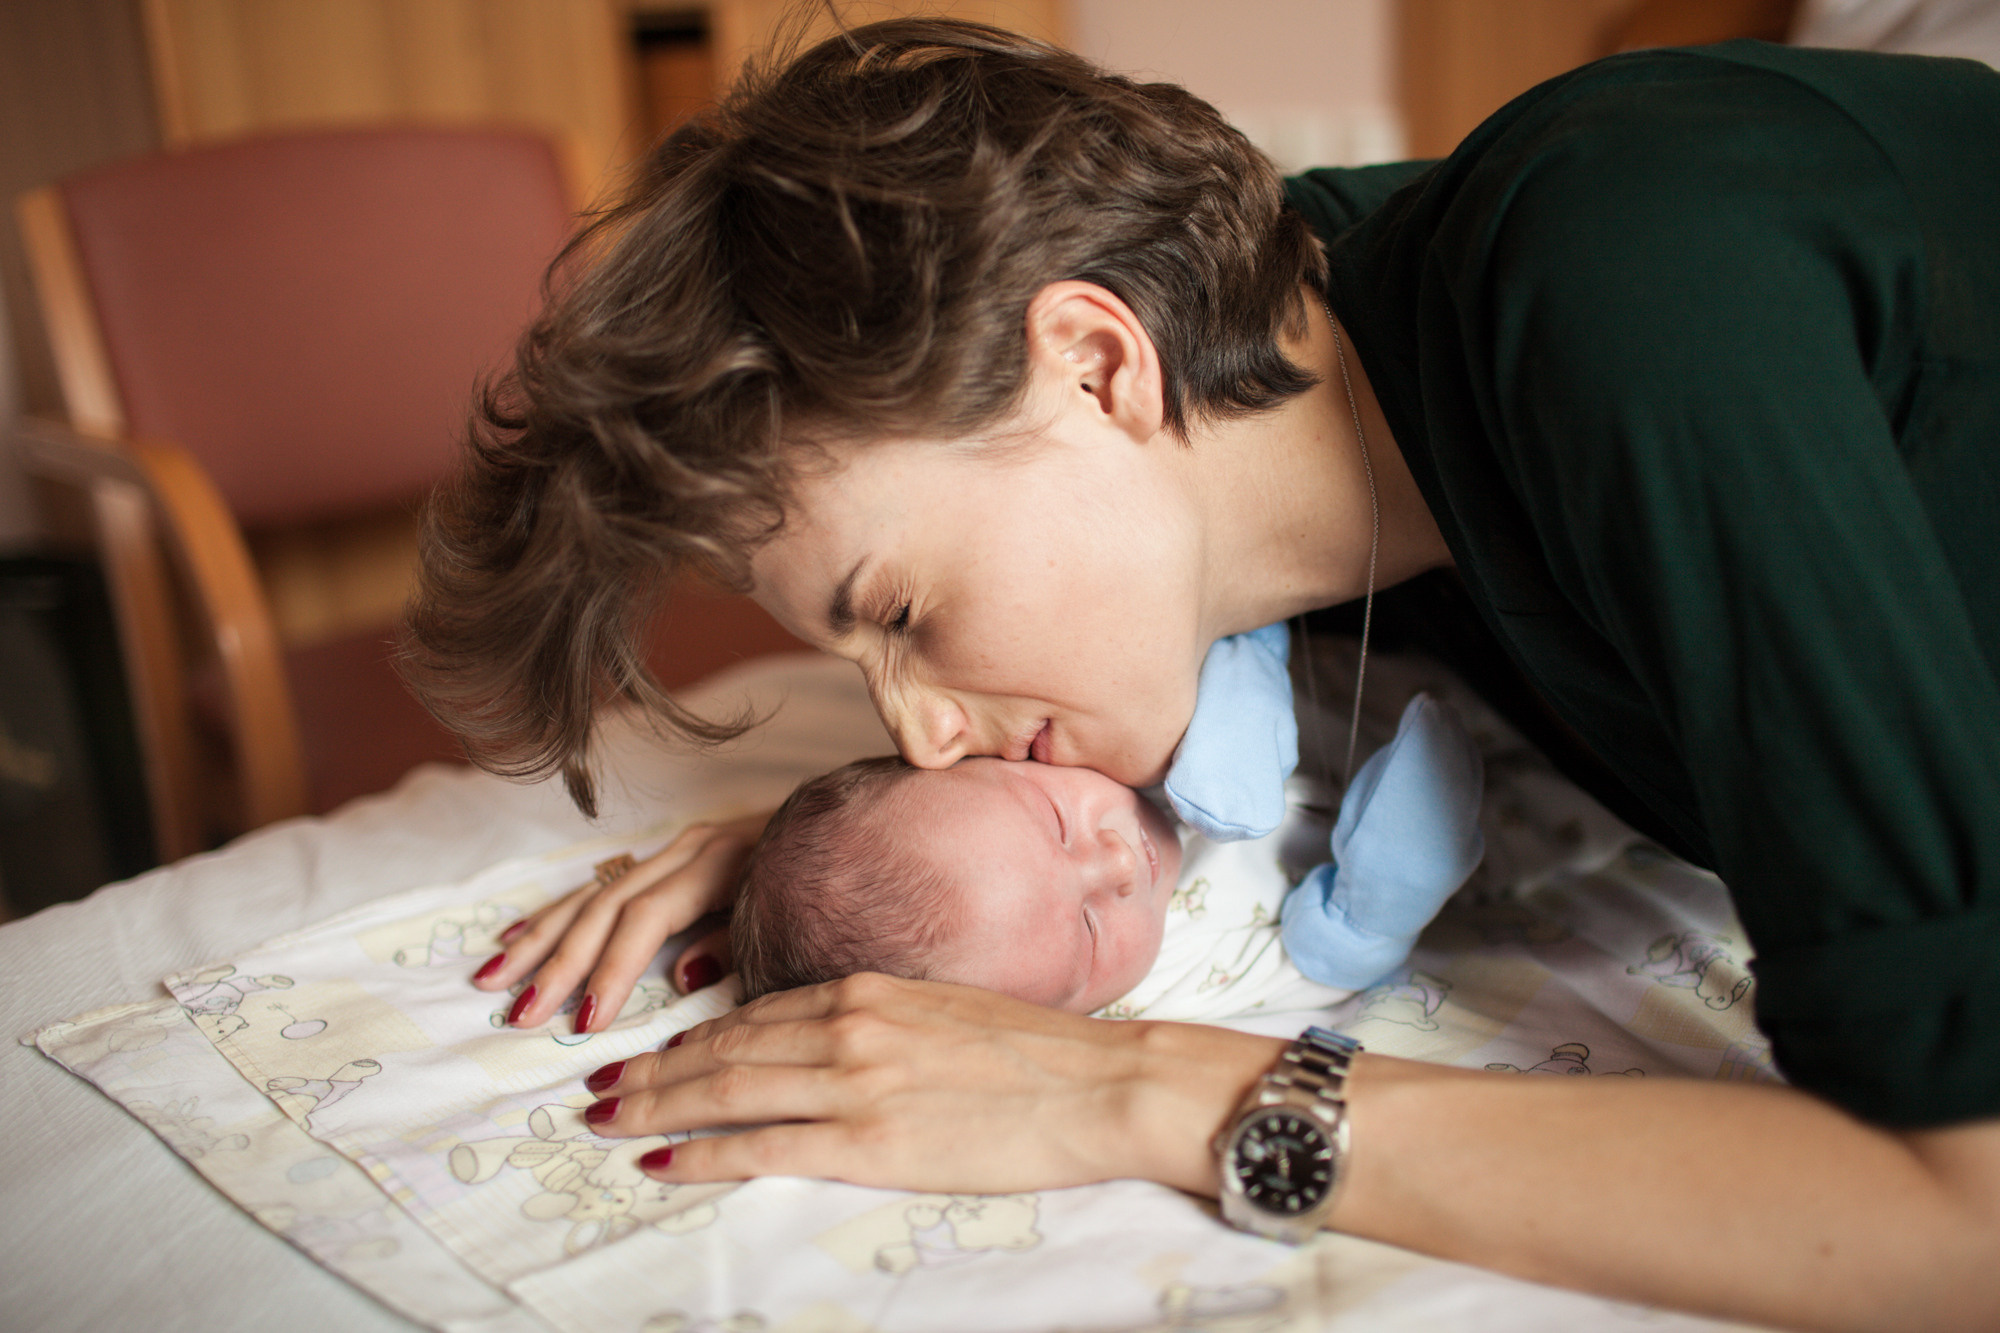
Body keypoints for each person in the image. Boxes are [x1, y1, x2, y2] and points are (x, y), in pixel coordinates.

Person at [410, 17, 2000, 1329]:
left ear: (1098, 364)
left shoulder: (1627, 288)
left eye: (894, 613)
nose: (924, 729)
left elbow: (1965, 1222)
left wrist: (1138, 1093)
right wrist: (875, 847)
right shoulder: (1309, 384)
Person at [716, 691, 1482, 1016]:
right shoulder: (1181, 977)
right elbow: (1321, 968)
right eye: (1086, 936)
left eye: (1056, 819)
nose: (1117, 864)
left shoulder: (1101, 723)